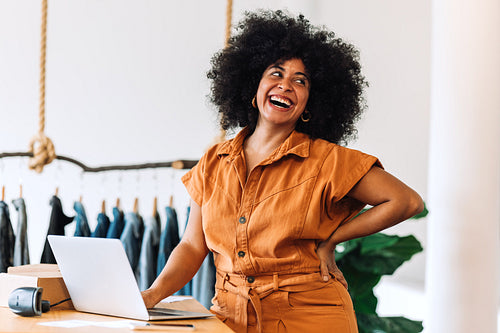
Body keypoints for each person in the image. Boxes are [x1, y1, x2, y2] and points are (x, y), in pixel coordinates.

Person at [142, 9, 424, 333]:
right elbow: (192, 247)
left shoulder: (326, 160)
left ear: (310, 102)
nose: (286, 85)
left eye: (300, 81)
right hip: (228, 317)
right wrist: (153, 294)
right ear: (253, 85)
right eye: (276, 73)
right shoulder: (213, 161)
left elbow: (406, 202)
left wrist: (333, 240)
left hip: (310, 317)